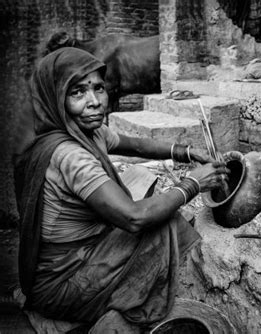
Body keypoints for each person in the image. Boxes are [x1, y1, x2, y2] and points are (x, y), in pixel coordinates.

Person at [13, 47, 229, 331]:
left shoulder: (88, 132)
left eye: (98, 89)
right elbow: (133, 217)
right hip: (62, 285)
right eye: (77, 92)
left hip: (67, 264)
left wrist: (185, 151)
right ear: (56, 99)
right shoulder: (70, 155)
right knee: (159, 222)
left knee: (149, 193)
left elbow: (136, 145)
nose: (94, 102)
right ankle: (128, 305)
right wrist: (192, 184)